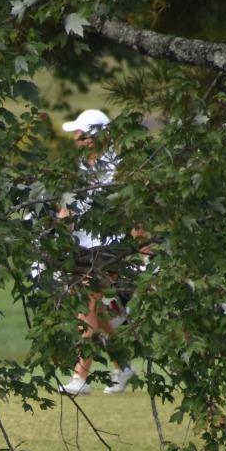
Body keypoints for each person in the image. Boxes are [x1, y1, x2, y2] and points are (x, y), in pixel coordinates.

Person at [57, 108, 137, 396]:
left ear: (93, 137)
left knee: (87, 305)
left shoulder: (119, 167)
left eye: (80, 133)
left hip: (110, 245)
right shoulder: (77, 169)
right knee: (98, 312)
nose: (76, 138)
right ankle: (123, 366)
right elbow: (67, 209)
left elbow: (132, 212)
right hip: (82, 246)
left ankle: (80, 379)